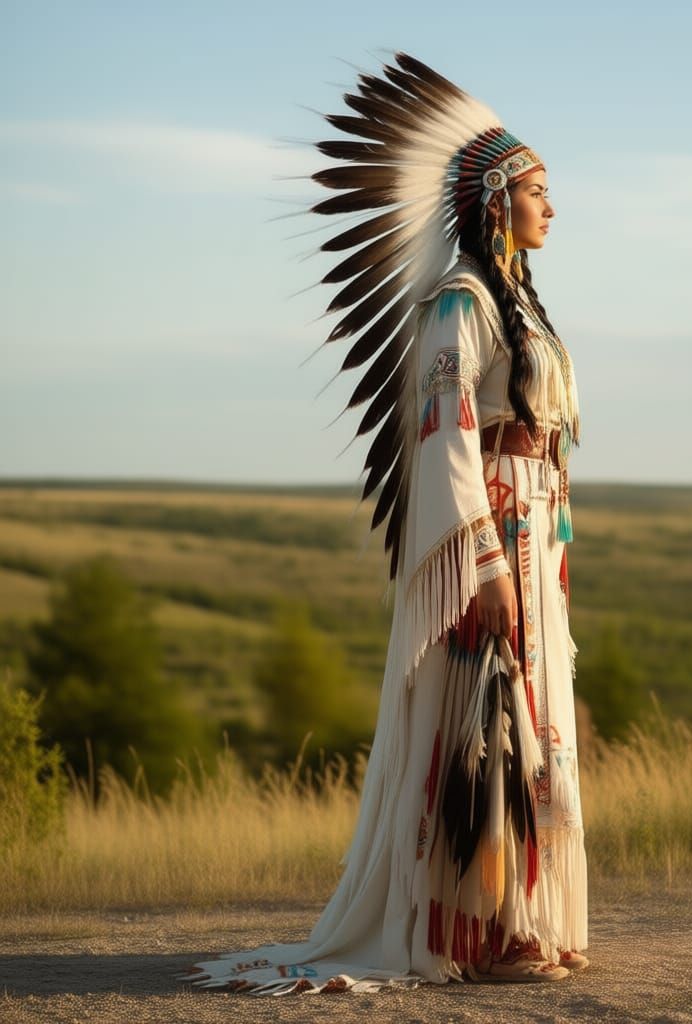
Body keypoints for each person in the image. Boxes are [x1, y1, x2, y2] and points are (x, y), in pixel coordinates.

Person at [180, 51, 586, 994]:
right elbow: (444, 433)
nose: (553, 206)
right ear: (496, 202)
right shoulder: (465, 302)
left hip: (534, 543)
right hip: (493, 540)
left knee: (534, 724)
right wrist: (480, 561)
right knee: (484, 724)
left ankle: (524, 922)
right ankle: (470, 931)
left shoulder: (521, 303)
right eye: (539, 190)